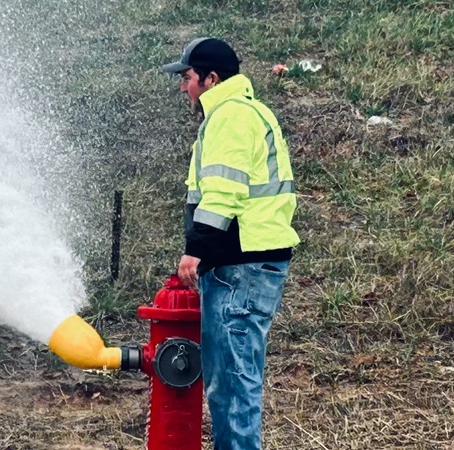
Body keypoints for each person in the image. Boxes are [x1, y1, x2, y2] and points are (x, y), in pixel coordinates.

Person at [162, 38, 300, 449]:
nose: (183, 87)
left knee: (234, 385)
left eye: (187, 78)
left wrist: (196, 249)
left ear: (211, 78)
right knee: (233, 382)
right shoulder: (244, 112)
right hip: (247, 266)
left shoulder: (230, 116)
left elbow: (224, 192)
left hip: (239, 269)